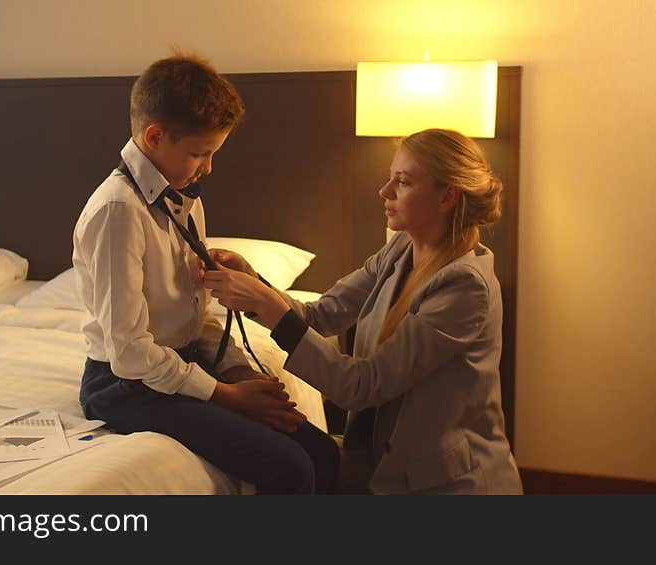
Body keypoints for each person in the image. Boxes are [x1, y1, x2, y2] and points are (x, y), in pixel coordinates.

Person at [73, 51, 339, 494]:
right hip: (126, 385)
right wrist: (227, 397)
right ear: (155, 136)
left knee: (323, 453)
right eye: (200, 153)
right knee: (290, 468)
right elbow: (129, 352)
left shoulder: (183, 199)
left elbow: (195, 318)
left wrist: (238, 373)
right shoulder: (119, 210)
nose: (208, 168)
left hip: (179, 362)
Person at [204, 128, 523, 494]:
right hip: (378, 468)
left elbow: (363, 385)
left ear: (447, 196)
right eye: (390, 178)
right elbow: (320, 315)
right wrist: (255, 283)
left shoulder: (465, 287)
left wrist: (267, 304)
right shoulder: (401, 249)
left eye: (402, 182)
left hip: (443, 484)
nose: (384, 192)